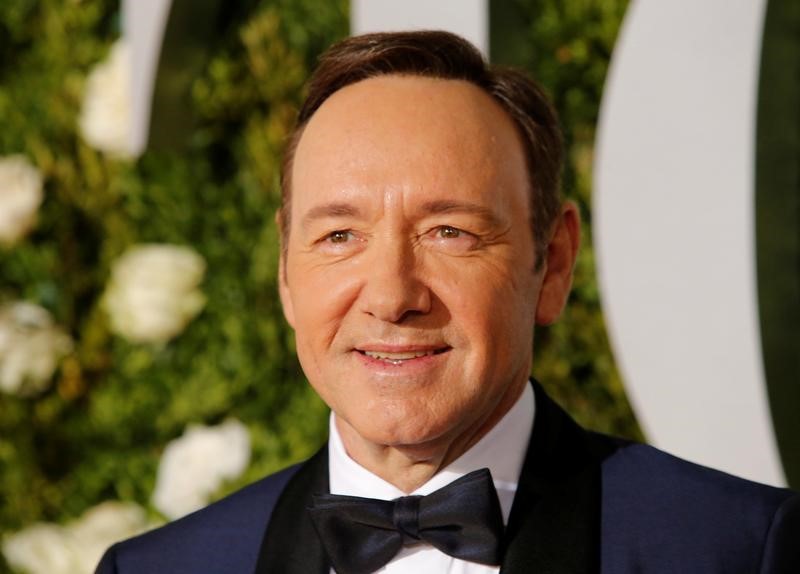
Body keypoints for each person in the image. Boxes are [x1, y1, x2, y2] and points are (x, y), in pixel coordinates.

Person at [96, 30, 799, 574]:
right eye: (340, 235)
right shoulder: (158, 569)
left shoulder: (736, 550)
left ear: (551, 263)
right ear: (286, 270)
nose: (393, 295)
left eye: (449, 232)